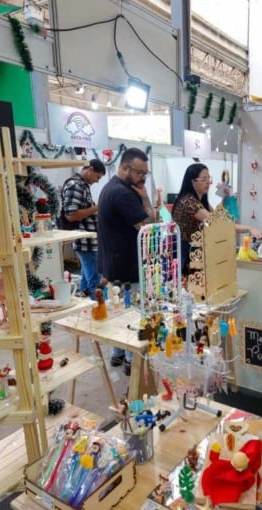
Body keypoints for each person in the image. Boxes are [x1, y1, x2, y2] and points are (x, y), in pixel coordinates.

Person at [98, 148, 160, 372]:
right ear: (124, 168)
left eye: (145, 173)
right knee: (133, 315)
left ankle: (118, 354)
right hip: (127, 267)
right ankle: (132, 362)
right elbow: (149, 228)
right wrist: (144, 198)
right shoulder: (124, 193)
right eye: (139, 172)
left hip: (113, 264)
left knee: (119, 312)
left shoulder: (109, 187)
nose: (143, 178)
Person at [172, 163, 262, 273]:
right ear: (192, 181)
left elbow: (218, 217)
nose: (208, 182)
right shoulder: (189, 202)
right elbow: (219, 223)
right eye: (203, 179)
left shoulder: (200, 201)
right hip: (187, 255)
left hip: (195, 253)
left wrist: (225, 199)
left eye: (208, 178)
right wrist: (249, 228)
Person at [59, 159, 106, 298]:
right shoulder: (75, 186)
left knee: (87, 278)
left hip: (89, 242)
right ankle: (98, 307)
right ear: (90, 169)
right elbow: (71, 215)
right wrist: (97, 208)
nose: (97, 181)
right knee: (95, 281)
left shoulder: (83, 186)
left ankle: (86, 302)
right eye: (97, 177)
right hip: (85, 243)